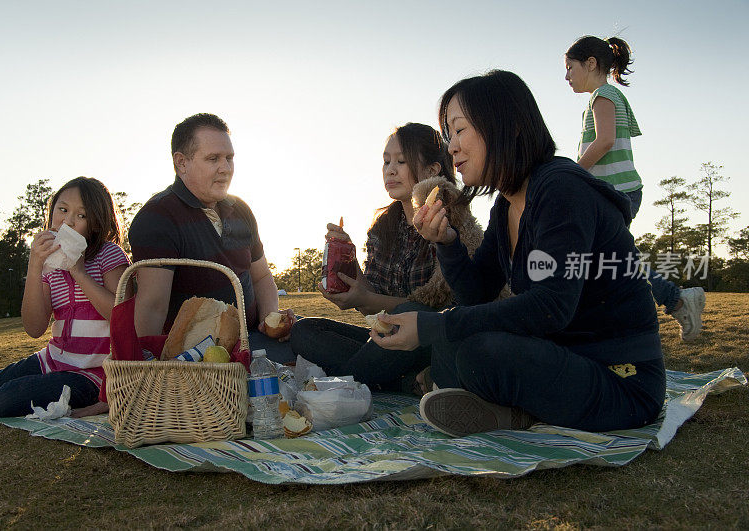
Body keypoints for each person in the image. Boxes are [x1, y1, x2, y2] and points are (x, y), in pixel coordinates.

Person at [372, 71, 666, 437]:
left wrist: (437, 325)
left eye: (460, 130)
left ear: (508, 127)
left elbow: (552, 306)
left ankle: (510, 410)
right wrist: (447, 243)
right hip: (562, 359)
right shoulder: (506, 203)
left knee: (474, 348)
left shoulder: (561, 188)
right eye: (449, 135)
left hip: (620, 379)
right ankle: (509, 413)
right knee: (451, 341)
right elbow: (476, 293)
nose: (452, 147)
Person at [289, 123, 483, 392]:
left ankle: (341, 385)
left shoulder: (448, 219)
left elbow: (445, 310)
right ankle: (403, 381)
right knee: (304, 331)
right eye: (386, 161)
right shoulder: (384, 226)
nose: (390, 169)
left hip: (432, 340)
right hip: (389, 342)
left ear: (432, 170)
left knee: (411, 312)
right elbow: (372, 303)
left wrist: (369, 300)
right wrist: (349, 258)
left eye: (401, 161)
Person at [0, 177, 130, 421]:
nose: (67, 221)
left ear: (96, 224)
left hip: (94, 374)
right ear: (52, 211)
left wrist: (78, 271)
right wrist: (35, 265)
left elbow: (123, 315)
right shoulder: (49, 265)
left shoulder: (108, 254)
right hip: (52, 360)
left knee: (4, 400)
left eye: (81, 215)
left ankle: (90, 399)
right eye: (62, 210)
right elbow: (34, 328)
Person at [564, 35, 705, 341]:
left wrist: (572, 174)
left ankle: (676, 301)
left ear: (590, 63)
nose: (567, 76)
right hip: (618, 192)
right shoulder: (609, 96)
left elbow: (605, 141)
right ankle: (676, 302)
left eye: (570, 67)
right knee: (611, 262)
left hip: (615, 193)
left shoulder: (603, 96)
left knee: (609, 262)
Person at [128, 113, 294, 364]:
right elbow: (152, 307)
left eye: (229, 158)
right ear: (181, 163)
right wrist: (149, 370)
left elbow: (261, 276)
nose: (225, 168)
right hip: (201, 356)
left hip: (254, 338)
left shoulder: (240, 209)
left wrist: (271, 319)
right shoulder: (158, 216)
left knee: (318, 337)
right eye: (213, 159)